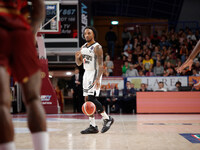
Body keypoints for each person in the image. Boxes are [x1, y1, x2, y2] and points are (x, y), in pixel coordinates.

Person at [0, 0, 48, 150]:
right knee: (33, 99)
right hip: (22, 32)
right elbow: (39, 6)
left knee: (1, 104)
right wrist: (31, 31)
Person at [75, 26, 114, 134]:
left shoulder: (97, 47)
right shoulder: (83, 47)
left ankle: (107, 118)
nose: (86, 35)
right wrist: (77, 57)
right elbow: (79, 63)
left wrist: (97, 79)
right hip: (86, 73)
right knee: (86, 100)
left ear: (93, 35)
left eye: (89, 33)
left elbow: (101, 65)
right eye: (85, 34)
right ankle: (93, 126)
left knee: (91, 98)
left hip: (94, 72)